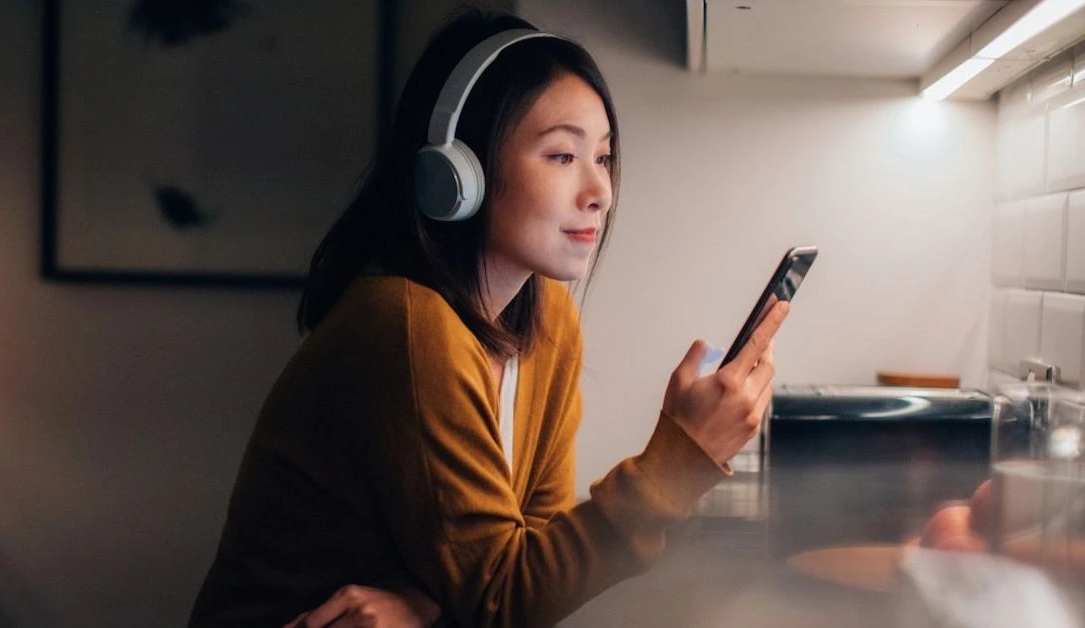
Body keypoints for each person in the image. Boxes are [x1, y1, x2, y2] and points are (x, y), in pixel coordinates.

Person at [187, 8, 790, 628]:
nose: (600, 190)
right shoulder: (404, 326)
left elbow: (528, 553)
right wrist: (683, 456)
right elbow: (508, 600)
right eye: (561, 156)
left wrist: (429, 601)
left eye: (603, 158)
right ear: (458, 173)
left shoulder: (548, 320)